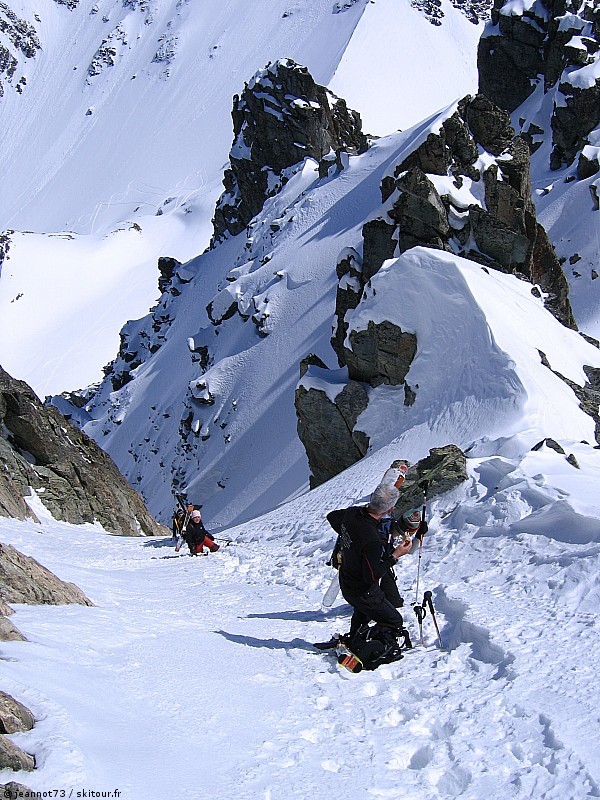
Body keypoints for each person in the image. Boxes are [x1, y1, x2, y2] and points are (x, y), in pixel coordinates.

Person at [326, 483, 412, 640]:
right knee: (394, 620)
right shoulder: (372, 540)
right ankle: (363, 648)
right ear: (390, 510)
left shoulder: (351, 514)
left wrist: (348, 533)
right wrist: (395, 555)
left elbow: (332, 516)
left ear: (372, 498)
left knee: (364, 612)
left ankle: (355, 636)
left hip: (346, 581)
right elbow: (372, 576)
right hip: (362, 592)